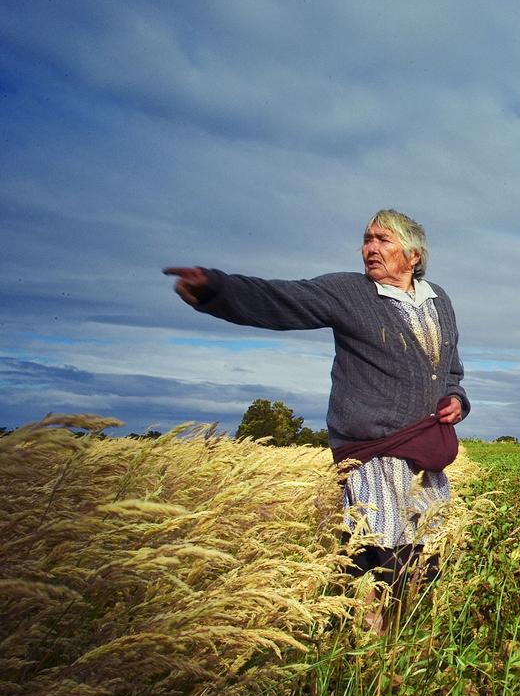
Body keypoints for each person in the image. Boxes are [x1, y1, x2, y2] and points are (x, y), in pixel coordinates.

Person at [167, 209, 468, 630]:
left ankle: (411, 645)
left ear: (414, 254)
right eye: (367, 239)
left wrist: (456, 398)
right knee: (375, 556)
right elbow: (283, 299)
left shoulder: (439, 300)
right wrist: (215, 288)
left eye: (383, 240)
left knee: (425, 554)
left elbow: (450, 368)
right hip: (374, 449)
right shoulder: (350, 292)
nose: (370, 249)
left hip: (426, 450)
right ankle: (367, 650)